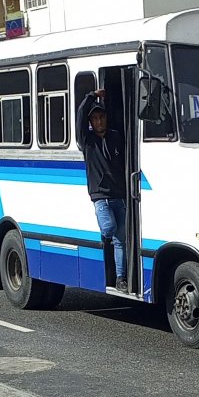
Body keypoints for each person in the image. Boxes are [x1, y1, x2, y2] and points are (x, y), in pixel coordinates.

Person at [76, 89, 128, 293]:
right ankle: (102, 242)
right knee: (109, 229)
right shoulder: (87, 141)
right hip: (101, 197)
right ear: (91, 122)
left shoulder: (116, 137)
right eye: (95, 118)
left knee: (121, 240)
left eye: (102, 117)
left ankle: (121, 278)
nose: (99, 121)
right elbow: (80, 115)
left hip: (120, 196)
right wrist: (91, 96)